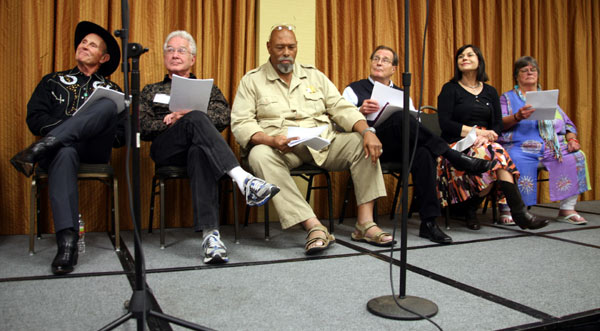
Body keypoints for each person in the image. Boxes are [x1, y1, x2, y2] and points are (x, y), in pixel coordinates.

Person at [231, 24, 392, 254]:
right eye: (280, 47)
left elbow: (340, 107)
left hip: (322, 142)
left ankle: (365, 224)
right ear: (269, 48)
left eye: (291, 47)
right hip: (281, 147)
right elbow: (241, 123)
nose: (286, 52)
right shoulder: (252, 80)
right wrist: (270, 140)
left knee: (361, 143)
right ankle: (313, 226)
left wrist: (367, 131)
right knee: (259, 155)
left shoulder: (314, 75)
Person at [140, 30, 280, 264]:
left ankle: (211, 236)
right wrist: (176, 121)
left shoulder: (208, 90)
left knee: (199, 149)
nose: (175, 54)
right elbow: (142, 126)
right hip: (166, 150)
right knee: (193, 118)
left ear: (192, 59)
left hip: (200, 151)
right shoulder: (150, 90)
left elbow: (223, 117)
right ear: (165, 57)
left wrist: (193, 117)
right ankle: (243, 179)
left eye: (181, 50)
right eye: (170, 50)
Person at [342, 45, 496, 244]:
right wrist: (359, 111)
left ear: (394, 69)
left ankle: (429, 222)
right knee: (400, 117)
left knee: (423, 151)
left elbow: (417, 125)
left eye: (385, 60)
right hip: (367, 146)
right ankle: (453, 156)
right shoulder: (354, 89)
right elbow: (340, 122)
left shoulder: (401, 93)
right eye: (376, 59)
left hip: (399, 147)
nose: (379, 63)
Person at [10, 21, 127, 275]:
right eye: (83, 42)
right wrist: (68, 132)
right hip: (60, 154)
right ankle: (67, 243)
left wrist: (92, 129)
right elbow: (35, 117)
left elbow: (121, 134)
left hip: (93, 150)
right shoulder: (52, 81)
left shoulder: (112, 89)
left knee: (107, 104)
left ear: (104, 57)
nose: (84, 45)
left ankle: (38, 150)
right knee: (65, 150)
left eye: (92, 44)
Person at [436, 44, 549, 231]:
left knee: (493, 156)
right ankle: (519, 213)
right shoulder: (450, 89)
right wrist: (477, 134)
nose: (464, 58)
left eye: (470, 55)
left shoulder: (490, 91)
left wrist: (488, 136)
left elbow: (497, 124)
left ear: (479, 61)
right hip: (456, 144)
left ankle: (472, 210)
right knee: (497, 154)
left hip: (486, 143)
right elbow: (445, 123)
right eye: (461, 56)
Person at [498, 56, 591, 225]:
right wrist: (518, 116)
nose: (529, 73)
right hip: (520, 146)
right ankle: (511, 209)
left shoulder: (547, 99)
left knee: (576, 156)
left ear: (538, 74)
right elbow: (498, 124)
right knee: (510, 159)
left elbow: (568, 126)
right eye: (524, 70)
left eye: (533, 69)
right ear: (516, 76)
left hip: (550, 147)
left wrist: (572, 140)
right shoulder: (508, 98)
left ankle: (567, 209)